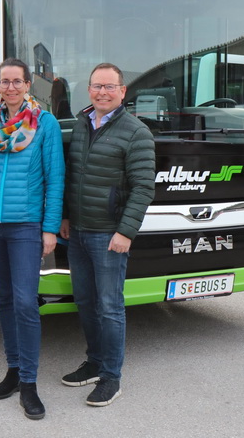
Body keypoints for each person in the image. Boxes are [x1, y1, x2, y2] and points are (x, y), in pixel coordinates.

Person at [59, 62, 155, 407]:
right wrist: (67, 217)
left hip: (109, 236)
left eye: (109, 87)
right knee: (85, 302)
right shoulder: (82, 125)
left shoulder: (136, 131)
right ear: (89, 90)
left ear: (122, 91)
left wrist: (126, 232)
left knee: (110, 306)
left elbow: (144, 188)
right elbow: (73, 177)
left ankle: (112, 377)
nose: (102, 92)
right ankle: (94, 362)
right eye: (97, 86)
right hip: (79, 232)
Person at [0, 59, 64, 420]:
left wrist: (49, 229)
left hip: (26, 225)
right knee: (7, 300)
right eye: (4, 81)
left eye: (17, 81)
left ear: (28, 85)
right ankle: (13, 370)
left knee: (27, 303)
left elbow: (55, 179)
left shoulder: (45, 123)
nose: (10, 87)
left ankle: (29, 383)